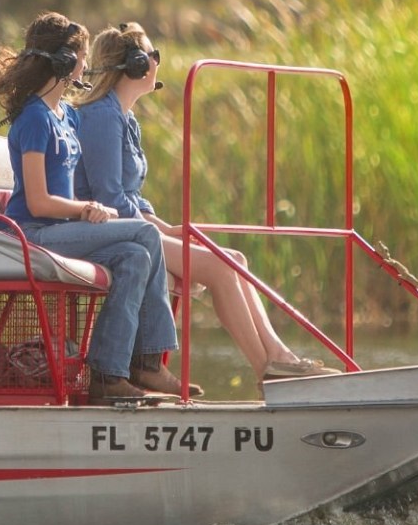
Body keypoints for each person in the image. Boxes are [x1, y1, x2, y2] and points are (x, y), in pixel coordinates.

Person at [75, 23, 341, 382]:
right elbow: (109, 197)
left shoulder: (126, 118)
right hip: (111, 231)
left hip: (133, 225)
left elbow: (131, 195)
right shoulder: (102, 116)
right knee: (219, 268)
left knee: (236, 259)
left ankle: (277, 357)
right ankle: (268, 369)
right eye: (154, 56)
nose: (157, 62)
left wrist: (166, 227)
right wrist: (160, 230)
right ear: (136, 65)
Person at [0, 12, 199, 403]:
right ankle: (148, 361)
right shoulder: (34, 119)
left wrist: (86, 209)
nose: (86, 65)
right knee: (145, 234)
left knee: (134, 256)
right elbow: (37, 201)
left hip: (60, 231)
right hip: (34, 233)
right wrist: (85, 209)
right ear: (63, 62)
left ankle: (107, 373)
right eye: (80, 56)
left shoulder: (65, 115)